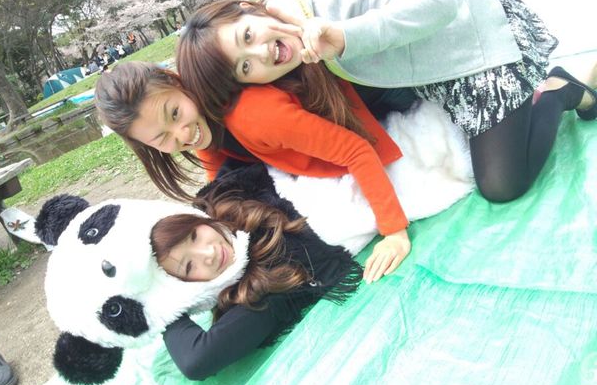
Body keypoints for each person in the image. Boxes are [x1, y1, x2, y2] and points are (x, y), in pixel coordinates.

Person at [176, 0, 597, 210]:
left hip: (475, 34)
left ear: (246, 8)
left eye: (247, 36)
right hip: (437, 67)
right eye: (245, 66)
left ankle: (559, 89)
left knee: (503, 185)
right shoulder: (294, 52)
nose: (262, 54)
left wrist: (346, 36)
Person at [96, 57, 411, 284]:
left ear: (176, 82)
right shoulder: (203, 131)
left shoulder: (253, 115)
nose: (181, 134)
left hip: (391, 93)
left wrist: (394, 233)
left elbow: (355, 149)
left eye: (175, 113)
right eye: (162, 138)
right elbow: (223, 195)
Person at [152, 163, 361, 380]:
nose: (208, 254)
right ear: (187, 286)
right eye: (189, 266)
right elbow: (196, 360)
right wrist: (159, 305)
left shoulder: (224, 193)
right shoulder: (261, 289)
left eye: (194, 236)